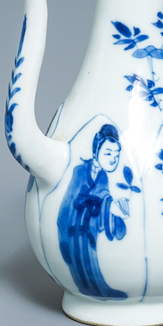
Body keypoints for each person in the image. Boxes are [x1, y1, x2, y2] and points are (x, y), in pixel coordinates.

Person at [57, 123, 130, 300]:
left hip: (88, 232)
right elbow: (73, 200)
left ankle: (98, 289)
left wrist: (112, 209)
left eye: (116, 154)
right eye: (108, 153)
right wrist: (106, 204)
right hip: (74, 229)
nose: (113, 159)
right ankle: (87, 289)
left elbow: (103, 195)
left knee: (91, 260)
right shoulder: (80, 171)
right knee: (79, 263)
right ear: (96, 151)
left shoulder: (103, 176)